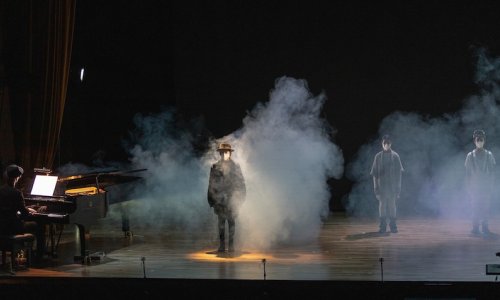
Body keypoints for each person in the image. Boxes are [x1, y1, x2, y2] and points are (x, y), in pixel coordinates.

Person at [207, 143, 246, 252]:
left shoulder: (235, 167)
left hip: (232, 199)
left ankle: (231, 245)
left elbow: (241, 183)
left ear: (230, 153)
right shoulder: (215, 166)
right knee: (221, 223)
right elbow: (211, 184)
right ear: (220, 153)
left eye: (227, 152)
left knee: (231, 222)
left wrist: (240, 199)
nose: (225, 154)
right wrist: (211, 200)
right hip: (219, 199)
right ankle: (222, 245)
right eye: (223, 152)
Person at [370, 135, 404, 233]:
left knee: (392, 205)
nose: (386, 145)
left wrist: (398, 189)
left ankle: (393, 226)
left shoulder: (395, 156)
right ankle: (382, 226)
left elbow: (399, 175)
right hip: (382, 187)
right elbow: (374, 174)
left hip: (392, 187)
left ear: (390, 144)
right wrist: (376, 188)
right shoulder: (378, 157)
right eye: (384, 143)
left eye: (388, 143)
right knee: (382, 205)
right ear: (382, 144)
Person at [465, 130, 496, 235]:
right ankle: (475, 228)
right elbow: (468, 173)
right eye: (478, 140)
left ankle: (485, 228)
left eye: (481, 139)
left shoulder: (489, 154)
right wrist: (468, 186)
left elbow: (492, 172)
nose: (479, 141)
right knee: (475, 207)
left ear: (484, 141)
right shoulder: (470, 155)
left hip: (486, 186)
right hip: (475, 186)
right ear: (474, 141)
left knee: (485, 207)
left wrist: (491, 185)